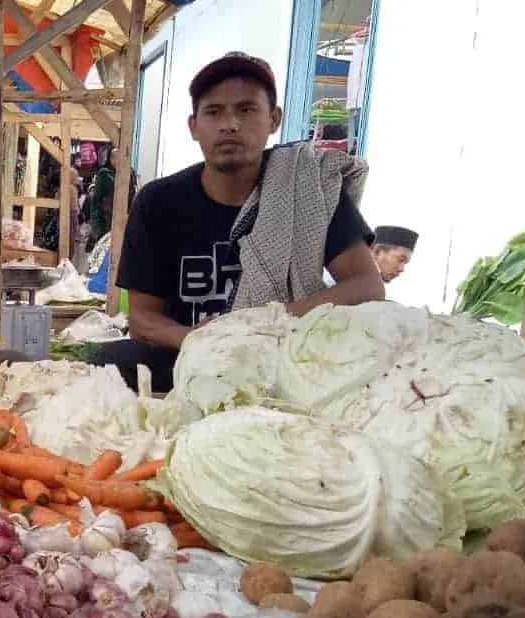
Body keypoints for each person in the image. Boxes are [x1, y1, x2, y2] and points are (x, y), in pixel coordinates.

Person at [93, 53, 384, 391]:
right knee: (106, 363)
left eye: (246, 110)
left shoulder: (309, 190)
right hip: (190, 360)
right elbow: (142, 320)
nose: (229, 125)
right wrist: (204, 340)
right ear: (194, 126)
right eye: (214, 112)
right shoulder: (159, 202)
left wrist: (266, 325)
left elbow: (367, 285)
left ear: (273, 120)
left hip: (288, 356)